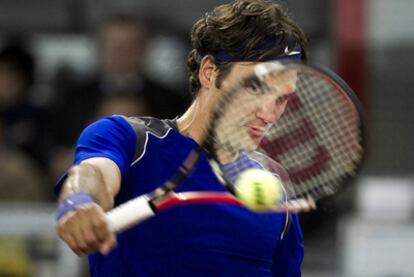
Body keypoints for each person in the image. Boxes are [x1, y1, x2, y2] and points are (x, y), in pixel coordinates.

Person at [55, 0, 310, 276]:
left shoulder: (277, 188)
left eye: (282, 98)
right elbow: (94, 175)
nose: (268, 113)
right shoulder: (129, 139)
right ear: (209, 71)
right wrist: (79, 202)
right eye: (255, 87)